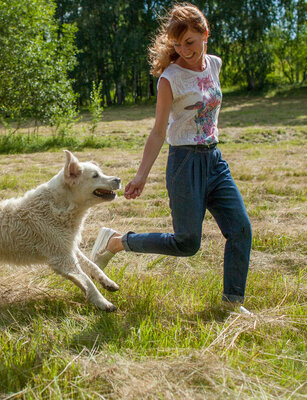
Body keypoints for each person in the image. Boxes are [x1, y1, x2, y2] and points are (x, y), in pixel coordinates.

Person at [90, 2, 252, 313]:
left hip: (215, 161)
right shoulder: (170, 79)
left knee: (241, 229)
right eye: (178, 45)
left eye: (190, 42)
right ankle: (117, 242)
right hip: (185, 163)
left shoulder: (215, 64)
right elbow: (158, 131)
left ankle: (232, 304)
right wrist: (141, 175)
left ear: (205, 34)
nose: (185, 50)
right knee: (187, 243)